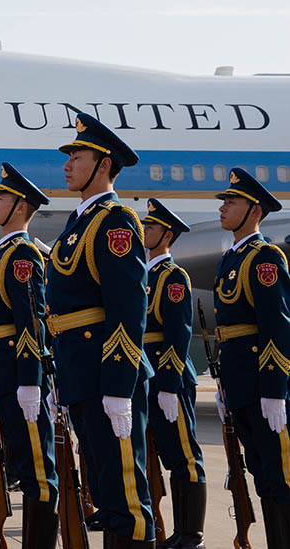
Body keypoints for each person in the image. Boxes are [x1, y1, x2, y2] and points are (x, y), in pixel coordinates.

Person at [45, 113, 153, 547]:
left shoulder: (115, 220)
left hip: (106, 375)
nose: (68, 164)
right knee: (105, 495)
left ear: (103, 164)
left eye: (78, 155)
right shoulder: (80, 222)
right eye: (69, 155)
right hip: (81, 373)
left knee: (125, 496)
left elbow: (128, 309)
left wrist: (119, 386)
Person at [0, 163, 59, 544]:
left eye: (1, 198)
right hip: (1, 372)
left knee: (37, 470)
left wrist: (30, 381)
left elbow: (31, 321)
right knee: (21, 464)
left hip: (17, 373)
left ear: (21, 207)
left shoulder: (22, 254)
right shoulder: (0, 253)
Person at [212, 167, 290, 546]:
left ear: (254, 210)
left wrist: (275, 391)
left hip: (263, 388)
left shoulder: (264, 259)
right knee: (262, 477)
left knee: (281, 480)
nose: (223, 208)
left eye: (232, 202)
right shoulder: (233, 259)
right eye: (224, 201)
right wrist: (226, 386)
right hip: (242, 387)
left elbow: (276, 328)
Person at [141, 199, 205, 548]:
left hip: (170, 379)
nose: (143, 231)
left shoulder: (173, 276)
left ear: (166, 234)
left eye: (149, 227)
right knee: (158, 455)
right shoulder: (144, 275)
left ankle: (190, 535)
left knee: (183, 457)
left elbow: (178, 334)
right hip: (149, 378)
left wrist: (167, 383)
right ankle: (174, 533)